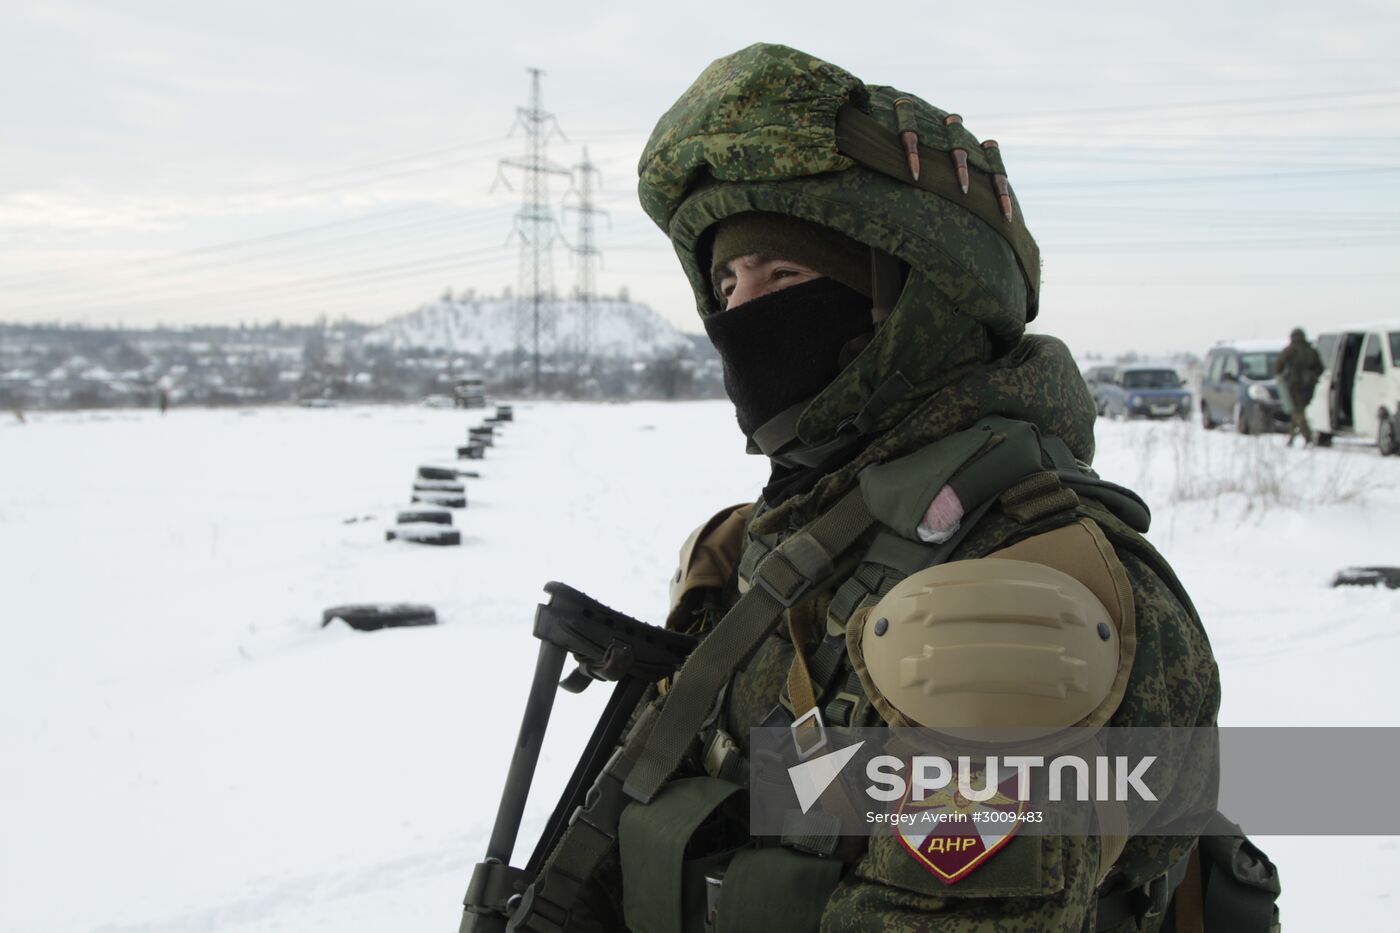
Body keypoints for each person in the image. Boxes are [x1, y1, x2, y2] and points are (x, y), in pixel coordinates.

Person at [499, 44, 1260, 933]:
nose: (744, 315)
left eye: (783, 277)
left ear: (906, 305)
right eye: (727, 283)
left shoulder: (1018, 594)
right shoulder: (772, 545)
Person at [1273, 327, 1324, 446]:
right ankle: (1291, 438)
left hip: (1295, 385)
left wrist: (1282, 376)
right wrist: (1312, 377)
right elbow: (1320, 368)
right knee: (1299, 410)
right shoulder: (1312, 350)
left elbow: (1278, 366)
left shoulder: (1290, 350)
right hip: (1310, 386)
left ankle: (1308, 436)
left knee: (1298, 411)